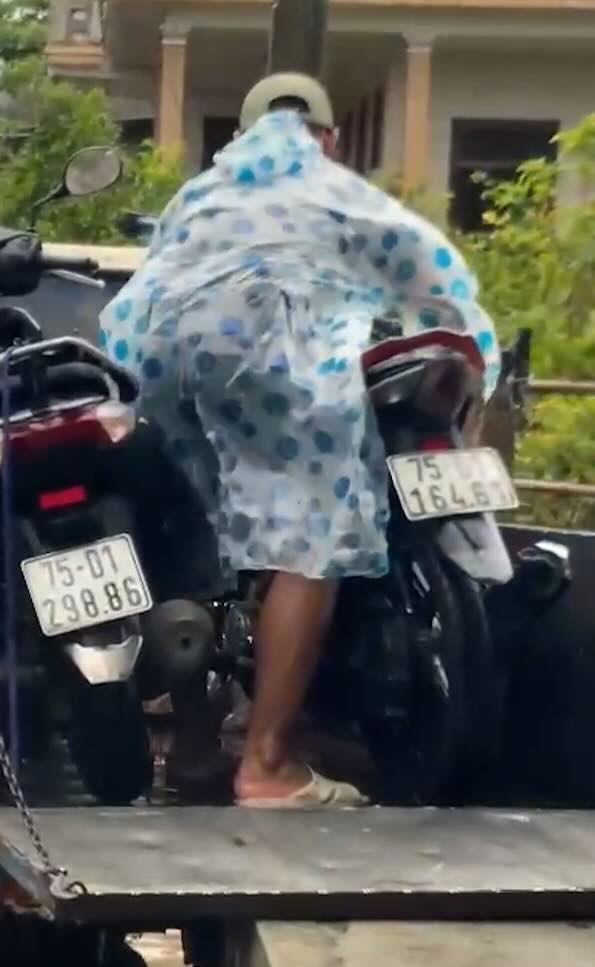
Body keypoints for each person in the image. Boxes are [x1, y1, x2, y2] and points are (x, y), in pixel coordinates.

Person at [99, 74, 501, 807]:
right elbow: (432, 269)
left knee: (216, 517)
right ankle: (266, 763)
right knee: (313, 536)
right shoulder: (332, 188)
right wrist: (476, 356)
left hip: (161, 359)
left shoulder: (202, 193)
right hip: (270, 350)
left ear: (240, 136)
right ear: (327, 137)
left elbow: (154, 280)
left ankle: (204, 707)